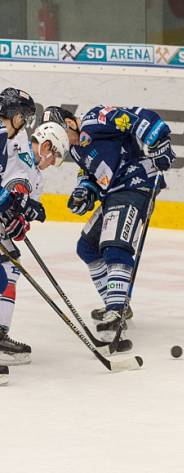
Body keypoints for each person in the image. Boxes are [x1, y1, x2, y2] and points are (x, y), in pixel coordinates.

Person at [40, 105, 175, 345]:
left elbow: (135, 117)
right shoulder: (76, 148)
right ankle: (119, 302)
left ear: (70, 123)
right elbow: (93, 173)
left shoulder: (95, 119)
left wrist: (159, 140)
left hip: (135, 185)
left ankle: (115, 311)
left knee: (115, 246)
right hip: (114, 194)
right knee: (87, 247)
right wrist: (85, 191)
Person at [0, 88, 49, 365]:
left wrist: (15, 209)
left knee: (6, 267)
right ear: (17, 115)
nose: (26, 122)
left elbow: (12, 182)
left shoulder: (11, 137)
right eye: (26, 117)